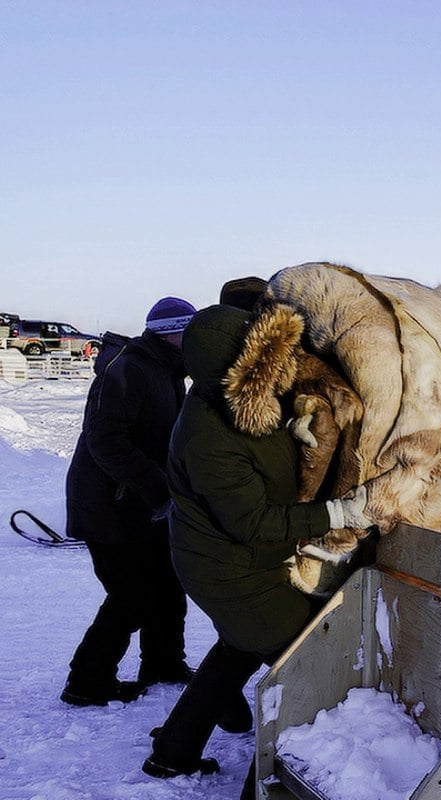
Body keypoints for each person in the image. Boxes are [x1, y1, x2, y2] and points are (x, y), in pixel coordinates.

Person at [142, 303, 373, 786]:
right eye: (262, 366)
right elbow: (254, 520)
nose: (277, 374)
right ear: (235, 371)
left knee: (237, 649)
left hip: (236, 563)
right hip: (231, 574)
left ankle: (173, 750)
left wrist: (292, 434)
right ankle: (265, 786)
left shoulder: (234, 400)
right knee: (308, 665)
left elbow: (256, 442)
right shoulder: (208, 437)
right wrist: (338, 514)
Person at [61, 297, 197, 706]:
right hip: (109, 506)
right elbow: (105, 440)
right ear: (173, 334)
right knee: (131, 593)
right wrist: (156, 487)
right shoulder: (129, 371)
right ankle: (86, 680)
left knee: (168, 581)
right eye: (190, 335)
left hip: (140, 505)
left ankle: (163, 662)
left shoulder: (167, 371)